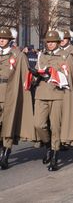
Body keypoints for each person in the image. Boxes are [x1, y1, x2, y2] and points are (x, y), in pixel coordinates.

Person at [32, 30, 73, 171]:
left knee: (55, 127)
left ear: (58, 42)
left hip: (58, 95)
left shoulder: (66, 57)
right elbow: (35, 73)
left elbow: (69, 77)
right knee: (39, 124)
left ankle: (54, 156)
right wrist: (34, 76)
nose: (50, 44)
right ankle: (48, 146)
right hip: (41, 93)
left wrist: (54, 75)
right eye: (48, 42)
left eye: (53, 42)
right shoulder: (41, 55)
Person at [0, 27, 36, 169]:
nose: (1, 40)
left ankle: (6, 154)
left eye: (4, 38)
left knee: (8, 124)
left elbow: (26, 74)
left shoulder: (18, 55)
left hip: (10, 92)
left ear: (10, 40)